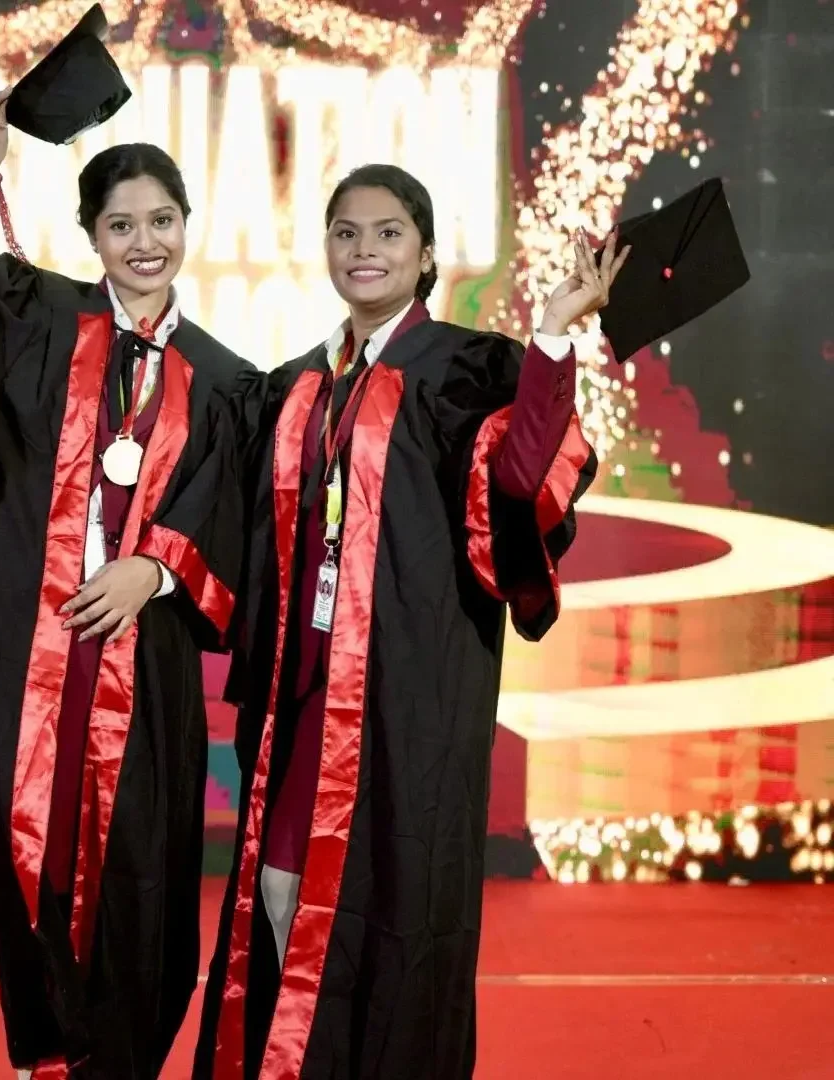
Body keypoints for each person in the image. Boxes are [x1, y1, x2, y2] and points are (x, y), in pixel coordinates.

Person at [194, 164, 629, 1079]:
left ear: (426, 254)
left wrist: (549, 334)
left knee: (394, 911)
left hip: (409, 698)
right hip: (302, 687)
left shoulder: (466, 368)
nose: (365, 250)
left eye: (388, 234)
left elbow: (518, 482)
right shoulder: (299, 384)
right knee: (281, 890)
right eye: (347, 233)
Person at [0, 90, 248, 1079]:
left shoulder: (227, 381)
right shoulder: (38, 319)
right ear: (91, 235)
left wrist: (158, 567)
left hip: (142, 669)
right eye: (120, 224)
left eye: (160, 220)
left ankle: (119, 1058)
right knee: (29, 857)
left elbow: (241, 519)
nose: (144, 242)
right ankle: (56, 1056)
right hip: (24, 654)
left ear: (186, 226)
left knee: (138, 878)